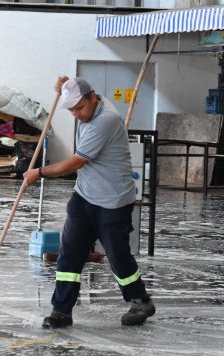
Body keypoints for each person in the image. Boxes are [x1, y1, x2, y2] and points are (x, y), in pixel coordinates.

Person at [23, 76, 155, 329]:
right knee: (70, 253)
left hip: (113, 201)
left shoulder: (106, 120)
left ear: (93, 97)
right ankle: (61, 311)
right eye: (71, 109)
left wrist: (39, 173)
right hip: (84, 196)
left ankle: (140, 301)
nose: (76, 114)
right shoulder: (93, 104)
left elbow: (76, 162)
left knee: (118, 256)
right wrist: (64, 85)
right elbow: (76, 89)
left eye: (79, 107)